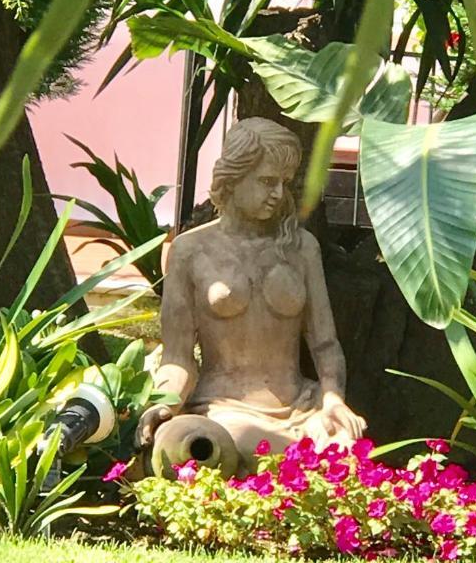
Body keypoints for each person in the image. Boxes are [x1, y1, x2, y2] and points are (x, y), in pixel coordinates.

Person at [135, 117, 366, 471]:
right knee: (249, 446)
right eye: (267, 181)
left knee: (347, 455)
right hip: (223, 409)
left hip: (303, 406)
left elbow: (324, 344)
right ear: (233, 177)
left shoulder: (302, 248)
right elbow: (178, 357)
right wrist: (164, 403)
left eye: (284, 183)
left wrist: (333, 399)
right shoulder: (190, 250)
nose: (278, 194)